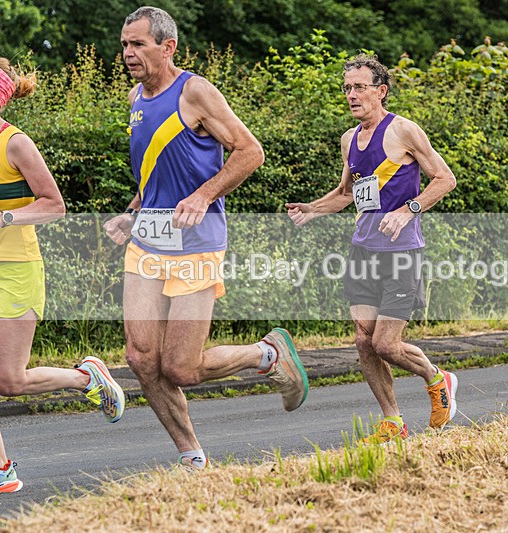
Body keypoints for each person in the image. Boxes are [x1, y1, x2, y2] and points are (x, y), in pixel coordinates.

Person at [103, 6, 308, 469]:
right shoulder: (136, 96)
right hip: (149, 242)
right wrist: (133, 212)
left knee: (181, 367)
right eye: (124, 44)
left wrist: (203, 195)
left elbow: (250, 151)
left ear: (167, 46)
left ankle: (268, 355)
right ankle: (192, 457)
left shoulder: (194, 92)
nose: (128, 52)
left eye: (138, 44)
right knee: (140, 357)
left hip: (197, 243)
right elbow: (155, 173)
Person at [0, 56, 125, 496]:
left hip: (17, 271)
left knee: (8, 381)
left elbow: (54, 205)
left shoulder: (16, 144)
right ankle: (0, 468)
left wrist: (3, 219)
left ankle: (87, 378)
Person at [286, 54, 457, 444]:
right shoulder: (349, 139)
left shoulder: (404, 131)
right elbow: (347, 194)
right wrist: (312, 209)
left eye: (359, 87)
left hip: (401, 251)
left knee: (385, 343)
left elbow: (445, 179)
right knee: (363, 340)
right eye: (347, 88)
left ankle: (437, 378)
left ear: (380, 91)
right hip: (363, 250)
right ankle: (392, 421)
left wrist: (407, 210)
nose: (351, 94)